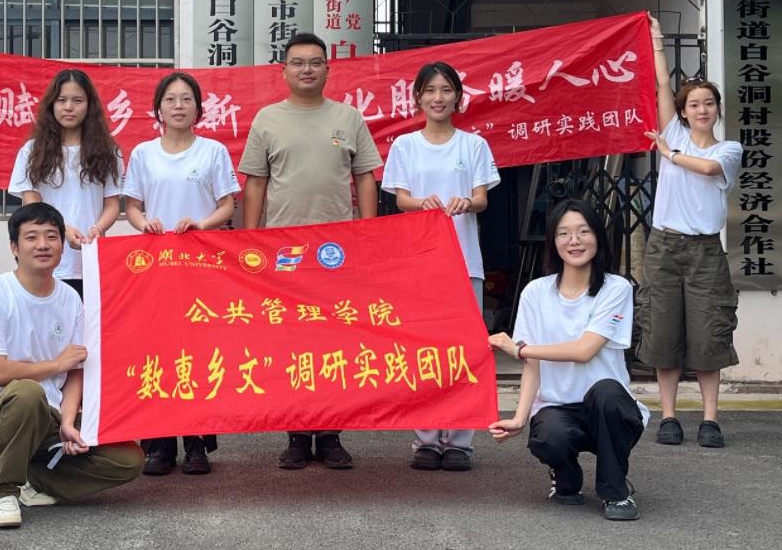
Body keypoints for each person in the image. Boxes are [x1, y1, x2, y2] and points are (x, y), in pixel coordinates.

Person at [239, 32, 382, 470]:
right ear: (283, 71)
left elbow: (365, 177)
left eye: (315, 62)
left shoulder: (348, 117)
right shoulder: (267, 119)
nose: (307, 69)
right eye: (298, 62)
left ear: (327, 69)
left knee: (335, 342)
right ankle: (298, 434)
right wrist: (251, 242)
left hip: (337, 253)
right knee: (291, 344)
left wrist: (368, 235)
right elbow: (256, 183)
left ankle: (332, 434)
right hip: (284, 253)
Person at [0, 201, 143, 529]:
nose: (43, 245)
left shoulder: (71, 299)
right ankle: (1, 492)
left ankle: (34, 479)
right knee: (28, 393)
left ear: (62, 245)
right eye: (31, 237)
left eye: (51, 236)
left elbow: (75, 370)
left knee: (128, 459)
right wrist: (55, 363)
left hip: (51, 416)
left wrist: (68, 422)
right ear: (14, 248)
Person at [489, 198, 648, 521]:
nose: (574, 241)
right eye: (564, 233)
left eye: (583, 231)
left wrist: (520, 349)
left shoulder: (615, 288)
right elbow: (533, 366)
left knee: (607, 391)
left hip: (607, 409)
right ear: (553, 242)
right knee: (550, 436)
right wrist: (519, 418)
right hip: (558, 407)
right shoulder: (535, 292)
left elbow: (584, 350)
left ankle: (616, 491)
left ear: (598, 237)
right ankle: (565, 476)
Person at [381, 61, 500, 472]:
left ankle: (460, 442)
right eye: (430, 90)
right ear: (417, 97)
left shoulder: (473, 145)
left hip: (464, 260)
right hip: (419, 263)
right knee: (423, 349)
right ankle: (427, 440)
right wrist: (422, 202)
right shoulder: (404, 146)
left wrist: (467, 201)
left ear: (457, 97)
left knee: (466, 350)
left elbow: (482, 198)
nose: (437, 97)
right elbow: (401, 199)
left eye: (446, 90)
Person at [123, 71, 240, 476]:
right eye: (170, 99)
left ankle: (197, 443)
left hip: (202, 265)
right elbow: (132, 206)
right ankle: (158, 445)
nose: (178, 106)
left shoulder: (212, 151)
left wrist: (202, 224)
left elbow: (228, 205)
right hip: (156, 266)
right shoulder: (143, 154)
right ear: (158, 109)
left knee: (199, 351)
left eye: (186, 99)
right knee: (158, 351)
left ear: (198, 108)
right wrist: (145, 224)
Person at [635, 14, 742, 448]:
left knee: (708, 335)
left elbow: (709, 169)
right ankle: (669, 416)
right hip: (664, 247)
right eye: (694, 104)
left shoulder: (728, 149)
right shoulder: (672, 131)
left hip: (704, 252)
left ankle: (710, 419)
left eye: (708, 103)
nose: (701, 110)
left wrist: (670, 155)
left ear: (717, 109)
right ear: (683, 112)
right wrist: (656, 39)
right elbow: (662, 84)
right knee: (663, 333)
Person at [8, 69, 123, 297]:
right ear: (52, 105)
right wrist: (62, 229)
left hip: (90, 260)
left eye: (77, 100)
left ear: (89, 106)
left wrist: (98, 229)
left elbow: (112, 204)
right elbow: (32, 203)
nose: (69, 107)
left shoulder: (109, 152)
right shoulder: (31, 151)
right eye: (61, 100)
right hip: (45, 260)